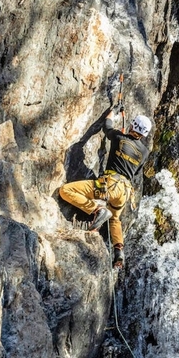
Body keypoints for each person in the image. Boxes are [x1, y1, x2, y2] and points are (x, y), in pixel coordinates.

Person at [59, 108, 152, 269]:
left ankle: (96, 209)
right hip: (124, 192)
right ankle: (118, 252)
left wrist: (111, 113)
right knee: (115, 219)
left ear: (132, 126)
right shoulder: (144, 152)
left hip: (109, 185)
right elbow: (135, 171)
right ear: (144, 134)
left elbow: (107, 127)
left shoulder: (118, 137)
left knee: (66, 191)